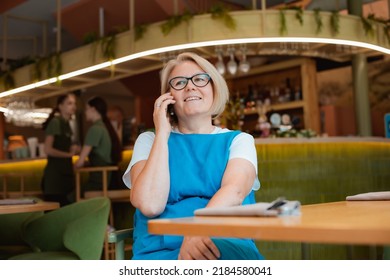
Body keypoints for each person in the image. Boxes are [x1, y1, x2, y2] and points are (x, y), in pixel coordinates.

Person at [122, 52, 264, 260]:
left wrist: (197, 231)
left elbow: (235, 191)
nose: (190, 86)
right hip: (158, 251)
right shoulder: (149, 141)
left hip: (221, 242)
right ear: (168, 98)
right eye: (179, 82)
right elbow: (150, 205)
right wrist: (162, 133)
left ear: (214, 89)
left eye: (199, 79)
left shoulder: (239, 140)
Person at [74, 96, 122, 192]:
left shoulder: (95, 129)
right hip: (109, 179)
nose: (85, 112)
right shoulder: (104, 127)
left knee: (71, 197)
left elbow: (80, 162)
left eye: (86, 109)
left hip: (100, 182)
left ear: (93, 109)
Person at [42, 93, 79, 206]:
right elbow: (47, 149)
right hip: (55, 178)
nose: (73, 106)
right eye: (69, 103)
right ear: (60, 106)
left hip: (65, 175)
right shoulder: (56, 122)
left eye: (74, 103)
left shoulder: (67, 124)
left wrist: (73, 149)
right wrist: (69, 154)